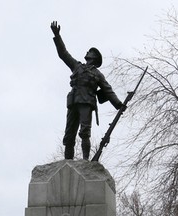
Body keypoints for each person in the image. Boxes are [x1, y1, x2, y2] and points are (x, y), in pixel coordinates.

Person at [51, 21, 125, 160]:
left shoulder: (97, 74)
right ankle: (68, 163)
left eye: (90, 52)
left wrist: (118, 104)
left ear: (94, 57)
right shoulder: (77, 66)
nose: (87, 52)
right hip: (73, 101)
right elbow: (63, 53)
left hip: (86, 102)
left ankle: (85, 162)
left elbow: (108, 90)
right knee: (68, 136)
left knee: (85, 132)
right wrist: (57, 36)